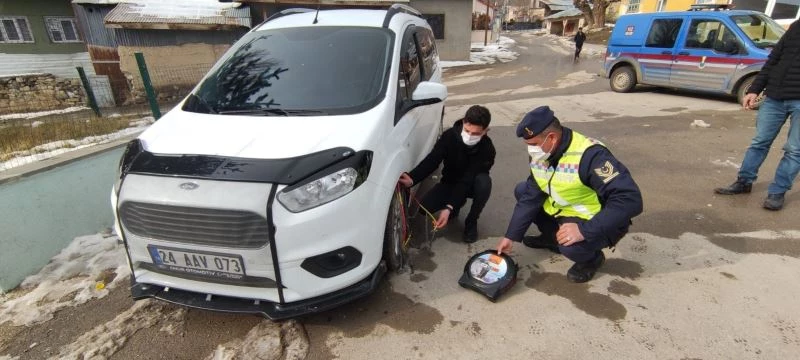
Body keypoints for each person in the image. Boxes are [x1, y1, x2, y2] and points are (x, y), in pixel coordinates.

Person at [495, 106, 643, 283]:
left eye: (533, 145)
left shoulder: (592, 156)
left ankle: (592, 259)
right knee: (522, 190)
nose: (530, 150)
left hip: (594, 219)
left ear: (551, 137)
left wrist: (583, 231)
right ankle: (551, 238)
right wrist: (511, 236)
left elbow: (630, 199)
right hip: (565, 210)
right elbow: (531, 196)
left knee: (571, 247)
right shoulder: (542, 153)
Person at [714, 20, 800, 211]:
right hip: (775, 96)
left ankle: (777, 192)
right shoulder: (796, 26)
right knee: (759, 142)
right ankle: (744, 182)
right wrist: (755, 89)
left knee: (794, 150)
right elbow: (773, 59)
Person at [399, 105, 495, 243]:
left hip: (471, 185)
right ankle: (457, 204)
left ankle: (471, 221)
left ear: (485, 131)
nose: (469, 136)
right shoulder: (449, 136)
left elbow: (467, 179)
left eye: (476, 134)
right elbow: (433, 159)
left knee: (484, 183)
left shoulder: (487, 149)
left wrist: (449, 206)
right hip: (449, 182)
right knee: (424, 208)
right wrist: (413, 178)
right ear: (463, 122)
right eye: (467, 131)